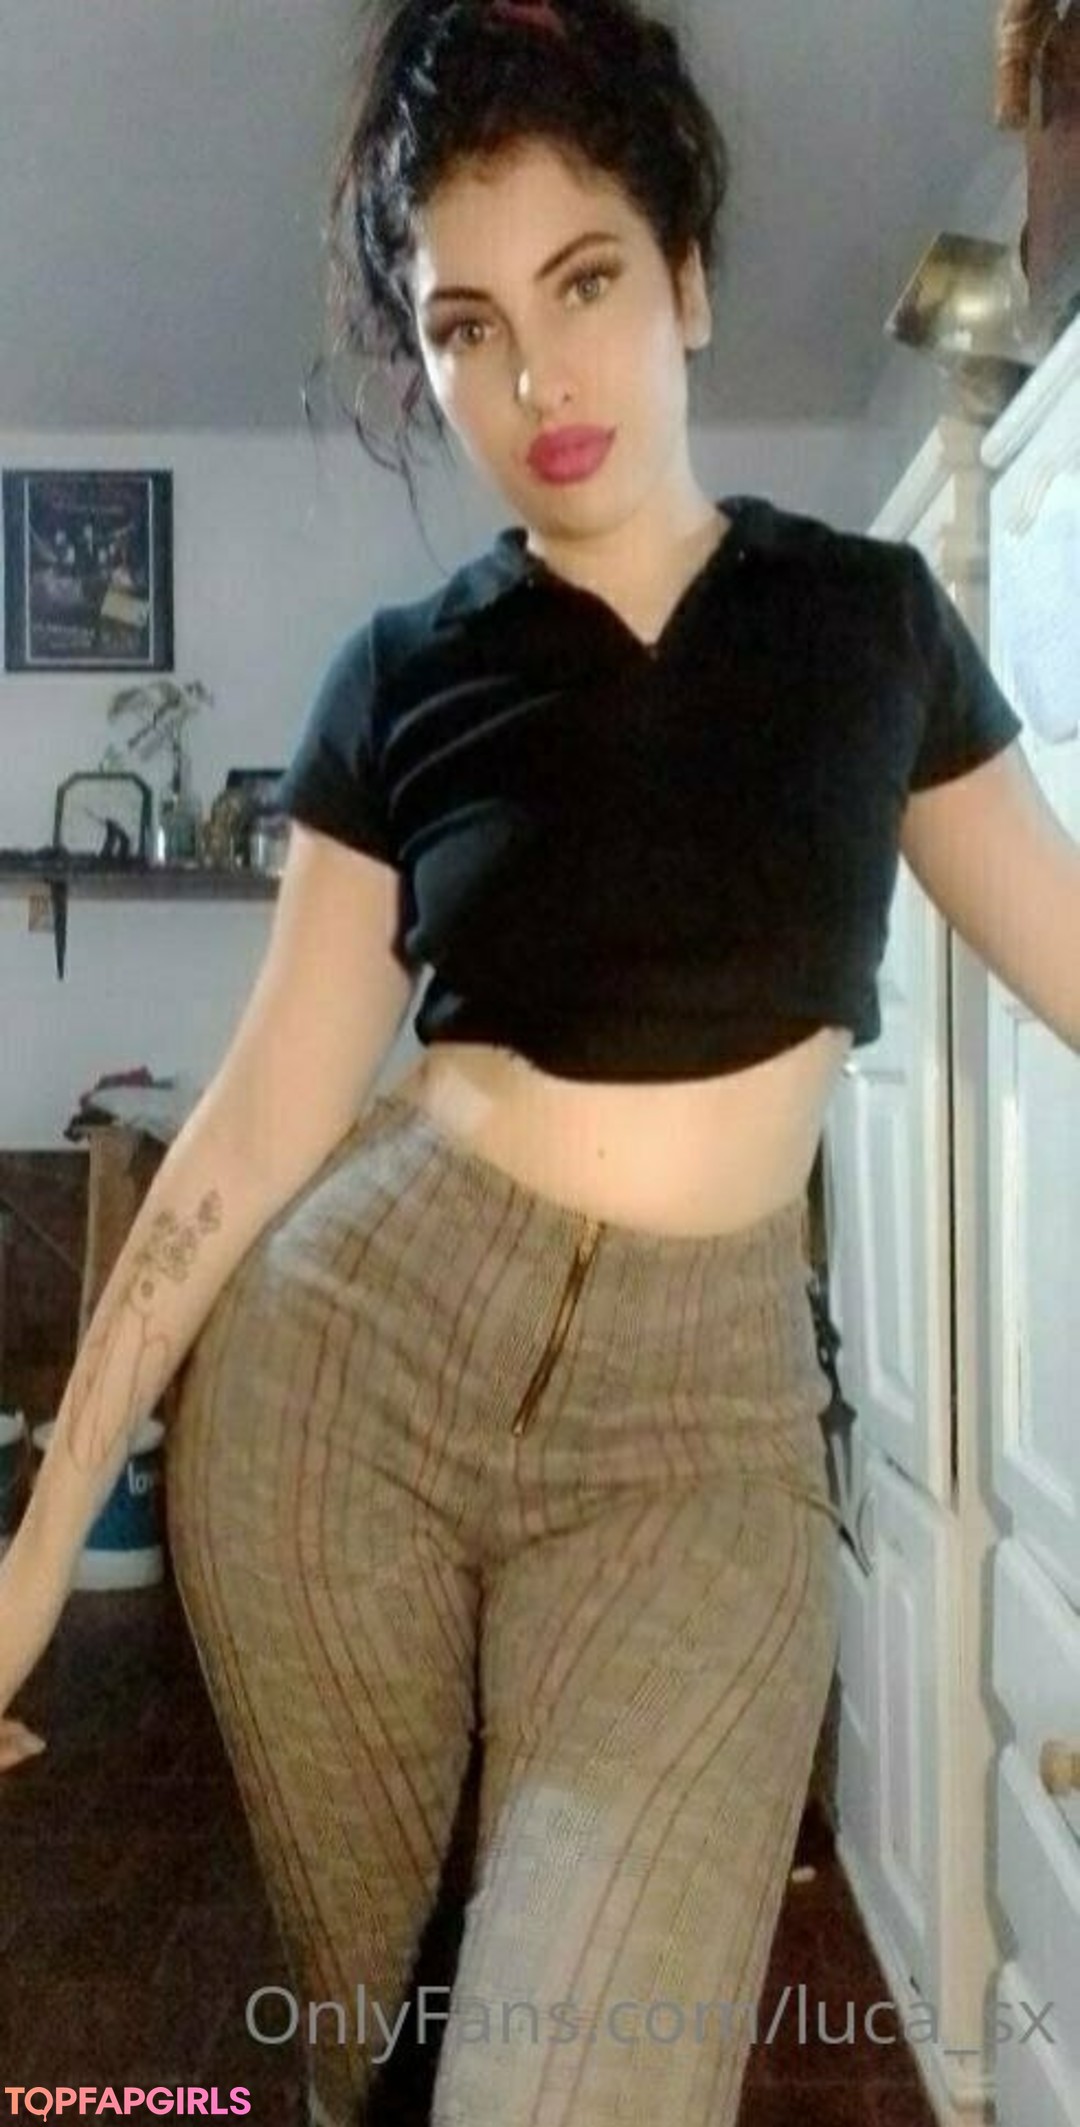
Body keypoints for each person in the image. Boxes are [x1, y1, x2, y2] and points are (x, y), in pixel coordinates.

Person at [2, 2, 1078, 2122]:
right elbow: (259, 1121)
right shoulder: (401, 677)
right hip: (342, 1390)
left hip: (699, 1439)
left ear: (689, 276)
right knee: (378, 2049)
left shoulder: (869, 626)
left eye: (583, 284)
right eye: (465, 326)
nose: (533, 384)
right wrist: (41, 1545)